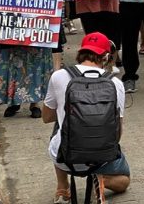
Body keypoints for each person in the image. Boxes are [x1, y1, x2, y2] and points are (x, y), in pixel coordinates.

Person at [43, 32, 130, 204]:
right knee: (124, 181)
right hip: (101, 158)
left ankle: (62, 188)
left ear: (80, 53)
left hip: (64, 157)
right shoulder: (116, 84)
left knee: (61, 122)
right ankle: (101, 180)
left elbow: (46, 117)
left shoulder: (58, 76)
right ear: (106, 57)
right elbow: (117, 132)